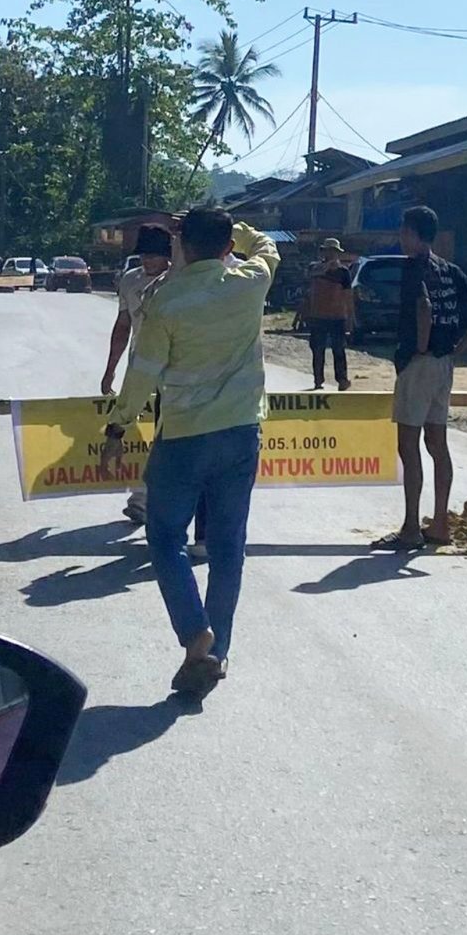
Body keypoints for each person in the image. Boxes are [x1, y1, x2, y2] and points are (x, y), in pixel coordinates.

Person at [100, 208, 280, 696]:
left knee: (163, 538)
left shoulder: (166, 300)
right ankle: (216, 652)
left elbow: (142, 374)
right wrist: (236, 229)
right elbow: (267, 246)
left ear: (183, 245)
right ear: (226, 247)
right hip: (241, 434)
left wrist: (117, 430)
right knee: (227, 548)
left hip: (181, 438)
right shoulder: (251, 282)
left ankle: (193, 630)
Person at [374, 206, 467, 551]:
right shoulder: (449, 269)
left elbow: (423, 308)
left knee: (408, 446)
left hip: (421, 363)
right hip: (444, 365)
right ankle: (440, 524)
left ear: (412, 233)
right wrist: (457, 349)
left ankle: (411, 527)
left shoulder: (414, 268)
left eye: (402, 231)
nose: (400, 237)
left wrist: (420, 346)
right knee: (437, 444)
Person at [103, 227, 174, 526]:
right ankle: (145, 499)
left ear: (168, 256)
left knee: (164, 435)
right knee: (129, 428)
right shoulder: (130, 280)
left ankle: (143, 499)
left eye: (154, 255)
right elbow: (123, 325)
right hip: (141, 368)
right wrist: (110, 368)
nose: (148, 261)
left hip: (174, 370)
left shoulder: (179, 280)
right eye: (144, 255)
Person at [303, 238, 355, 391]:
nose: (331, 254)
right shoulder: (315, 268)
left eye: (334, 252)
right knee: (317, 349)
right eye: (328, 251)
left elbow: (348, 295)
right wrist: (326, 267)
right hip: (318, 316)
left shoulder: (344, 272)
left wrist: (350, 317)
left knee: (339, 349)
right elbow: (310, 276)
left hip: (337, 317)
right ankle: (318, 380)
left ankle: (342, 380)